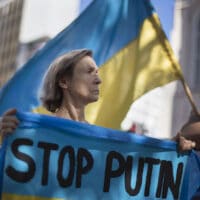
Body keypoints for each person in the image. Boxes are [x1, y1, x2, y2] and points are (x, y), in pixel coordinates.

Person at [0, 49, 196, 152]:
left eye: (98, 72)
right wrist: (5, 140)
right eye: (89, 71)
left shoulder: (98, 139)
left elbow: (130, 164)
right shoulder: (33, 132)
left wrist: (170, 148)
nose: (99, 79)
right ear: (63, 81)